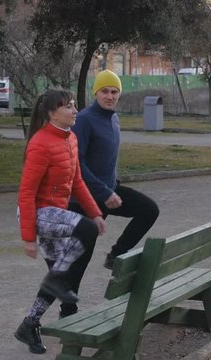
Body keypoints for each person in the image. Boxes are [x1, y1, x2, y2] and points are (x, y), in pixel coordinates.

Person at [59, 69, 159, 317]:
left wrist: (112, 183)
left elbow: (106, 158)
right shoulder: (84, 119)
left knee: (148, 210)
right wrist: (104, 191)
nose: (110, 96)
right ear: (96, 93)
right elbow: (77, 164)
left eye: (114, 91)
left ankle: (116, 255)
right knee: (80, 258)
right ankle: (67, 310)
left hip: (108, 191)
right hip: (83, 200)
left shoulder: (113, 119)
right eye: (105, 91)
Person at [14, 89, 106, 354]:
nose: (75, 110)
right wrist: (28, 238)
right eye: (68, 107)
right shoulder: (40, 144)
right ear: (52, 113)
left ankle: (29, 325)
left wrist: (96, 212)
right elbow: (27, 193)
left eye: (75, 105)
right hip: (38, 214)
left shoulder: (71, 139)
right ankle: (56, 283)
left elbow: (77, 182)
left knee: (57, 278)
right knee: (84, 231)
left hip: (56, 215)